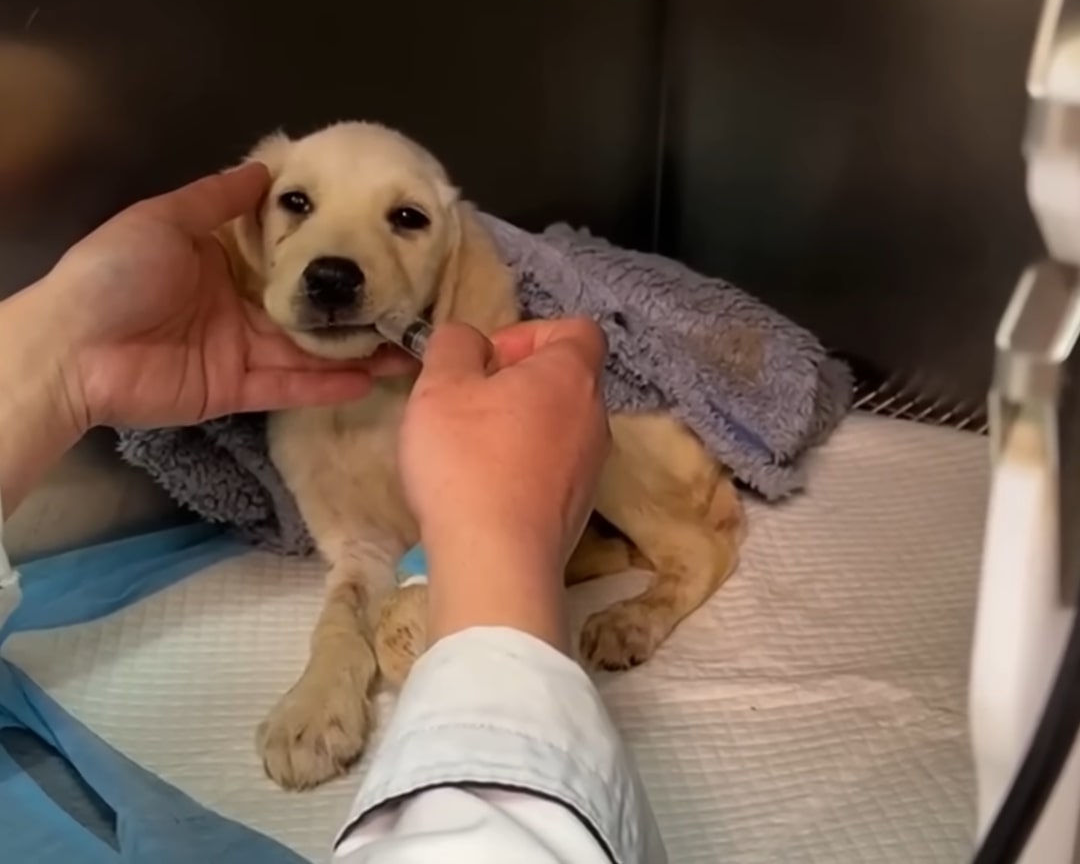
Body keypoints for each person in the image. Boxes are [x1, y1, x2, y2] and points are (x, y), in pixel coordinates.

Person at [0, 162, 668, 864]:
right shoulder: (294, 416)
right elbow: (360, 551)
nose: (337, 259)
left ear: (454, 265)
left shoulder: (458, 350)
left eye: (407, 219)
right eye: (297, 203)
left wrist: (59, 365)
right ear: (253, 237)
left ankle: (659, 566)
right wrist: (62, 353)